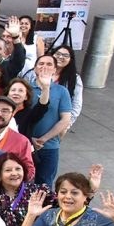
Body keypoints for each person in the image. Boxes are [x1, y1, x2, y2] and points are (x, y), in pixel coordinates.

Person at [27, 55, 72, 184]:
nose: (44, 67)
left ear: (54, 69)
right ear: (35, 68)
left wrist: (43, 139)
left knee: (45, 184)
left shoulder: (61, 91)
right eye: (41, 64)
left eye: (49, 64)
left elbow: (65, 120)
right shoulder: (26, 89)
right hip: (27, 144)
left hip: (49, 146)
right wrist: (30, 139)